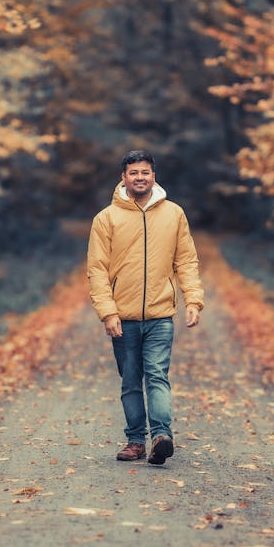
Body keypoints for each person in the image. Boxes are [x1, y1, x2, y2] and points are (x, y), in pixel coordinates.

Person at [87, 149, 204, 465]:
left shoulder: (174, 214)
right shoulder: (106, 219)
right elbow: (97, 268)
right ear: (123, 177)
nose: (140, 177)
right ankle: (135, 441)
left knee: (156, 374)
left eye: (145, 172)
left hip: (160, 314)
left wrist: (193, 299)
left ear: (154, 176)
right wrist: (108, 312)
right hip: (122, 318)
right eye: (134, 172)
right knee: (130, 379)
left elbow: (186, 260)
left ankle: (161, 436)